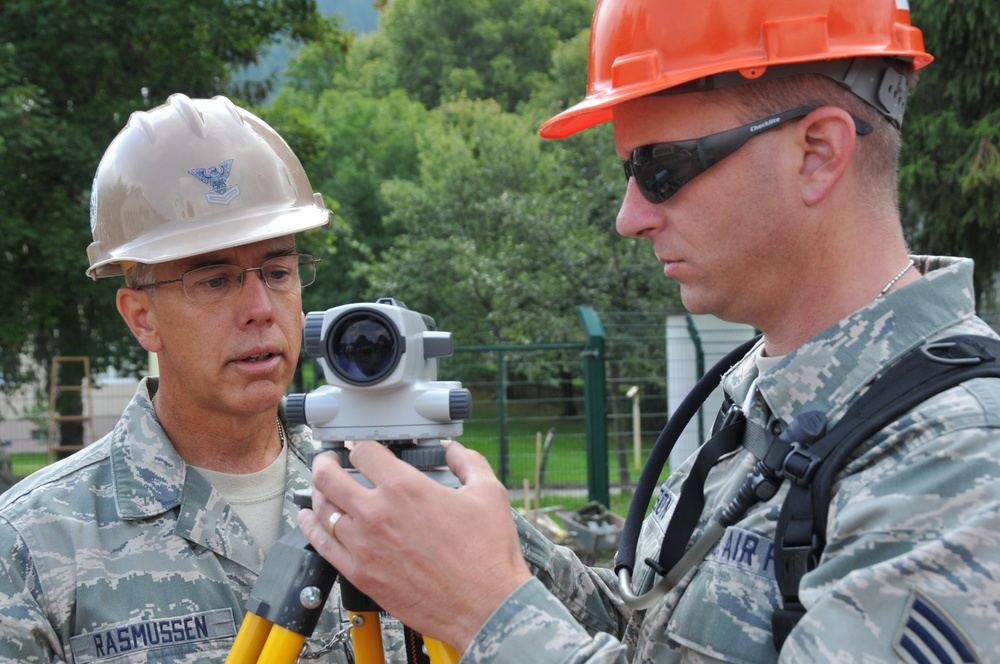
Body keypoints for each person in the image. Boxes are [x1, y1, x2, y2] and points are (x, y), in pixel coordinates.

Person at [298, 0, 1000, 661]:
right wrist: (476, 545)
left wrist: (484, 612)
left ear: (817, 152)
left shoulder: (962, 462)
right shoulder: (768, 394)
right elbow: (652, 637)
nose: (629, 217)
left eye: (661, 169)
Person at [0, 94, 406, 662]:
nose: (260, 307)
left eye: (278, 270)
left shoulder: (392, 500)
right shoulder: (32, 546)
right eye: (214, 280)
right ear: (142, 318)